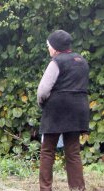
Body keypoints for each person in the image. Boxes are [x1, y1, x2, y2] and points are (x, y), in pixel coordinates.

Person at [37, 30, 89, 191]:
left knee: (47, 151)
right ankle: (78, 188)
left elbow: (43, 90)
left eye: (49, 46)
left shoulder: (56, 62)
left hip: (56, 110)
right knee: (73, 152)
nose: (48, 49)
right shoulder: (82, 60)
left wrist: (42, 104)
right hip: (78, 109)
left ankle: (45, 188)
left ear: (55, 47)